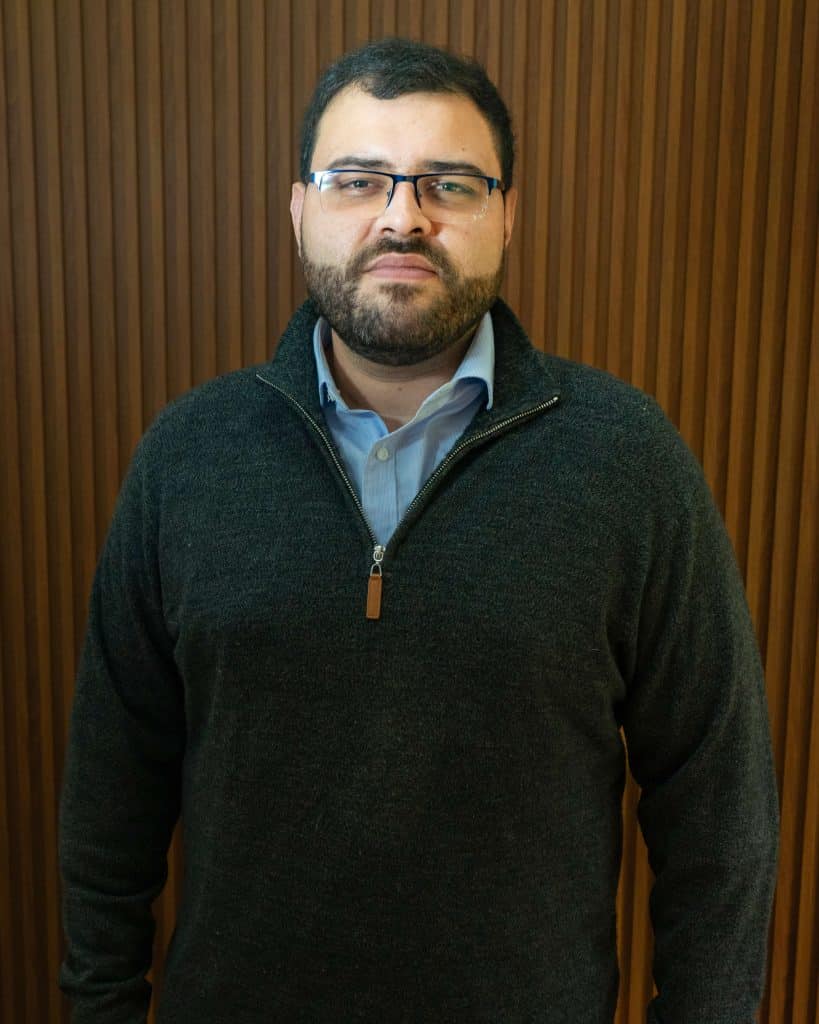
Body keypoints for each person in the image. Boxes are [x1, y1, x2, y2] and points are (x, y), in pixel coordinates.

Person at [59, 36, 779, 1023]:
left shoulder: (628, 462)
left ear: (508, 214)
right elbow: (111, 797)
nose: (403, 217)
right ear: (299, 207)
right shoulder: (186, 456)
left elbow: (719, 810)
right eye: (358, 180)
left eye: (451, 184)